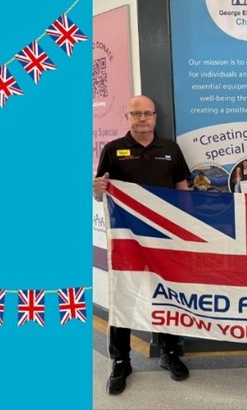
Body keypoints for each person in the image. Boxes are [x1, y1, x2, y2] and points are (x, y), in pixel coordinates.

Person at [93, 95, 192, 395]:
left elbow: (183, 190)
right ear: (127, 117)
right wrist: (97, 190)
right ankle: (120, 360)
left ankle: (169, 352)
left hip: (164, 238)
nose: (142, 118)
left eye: (147, 113)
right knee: (123, 295)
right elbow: (100, 193)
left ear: (155, 118)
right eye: (136, 113)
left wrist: (188, 229)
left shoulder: (171, 149)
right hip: (127, 240)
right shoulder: (113, 150)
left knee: (166, 294)